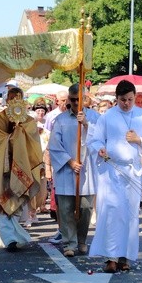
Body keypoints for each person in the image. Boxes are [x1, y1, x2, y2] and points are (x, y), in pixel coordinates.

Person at [87, 80, 142, 273]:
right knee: (111, 212)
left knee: (129, 214)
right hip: (111, 171)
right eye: (122, 100)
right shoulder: (107, 117)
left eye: (130, 99)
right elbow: (95, 139)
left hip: (132, 171)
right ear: (116, 99)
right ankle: (110, 258)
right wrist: (100, 148)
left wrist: (139, 140)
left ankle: (125, 256)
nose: (126, 103)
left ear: (135, 98)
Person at [0, 87, 44, 252]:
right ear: (6, 100)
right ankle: (10, 239)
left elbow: (33, 141)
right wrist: (10, 137)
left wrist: (20, 131)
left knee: (17, 201)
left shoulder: (29, 121)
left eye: (18, 97)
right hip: (0, 166)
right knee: (1, 203)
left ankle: (9, 238)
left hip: (20, 167)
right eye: (11, 97)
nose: (14, 100)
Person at [48, 84, 100, 257]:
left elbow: (99, 141)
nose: (76, 103)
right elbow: (54, 146)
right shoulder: (61, 120)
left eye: (79, 99)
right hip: (66, 169)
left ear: (85, 99)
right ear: (69, 99)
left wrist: (86, 125)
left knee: (85, 208)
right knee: (66, 208)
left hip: (87, 170)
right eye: (73, 99)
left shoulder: (95, 117)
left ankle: (82, 240)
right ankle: (69, 242)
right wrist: (69, 161)